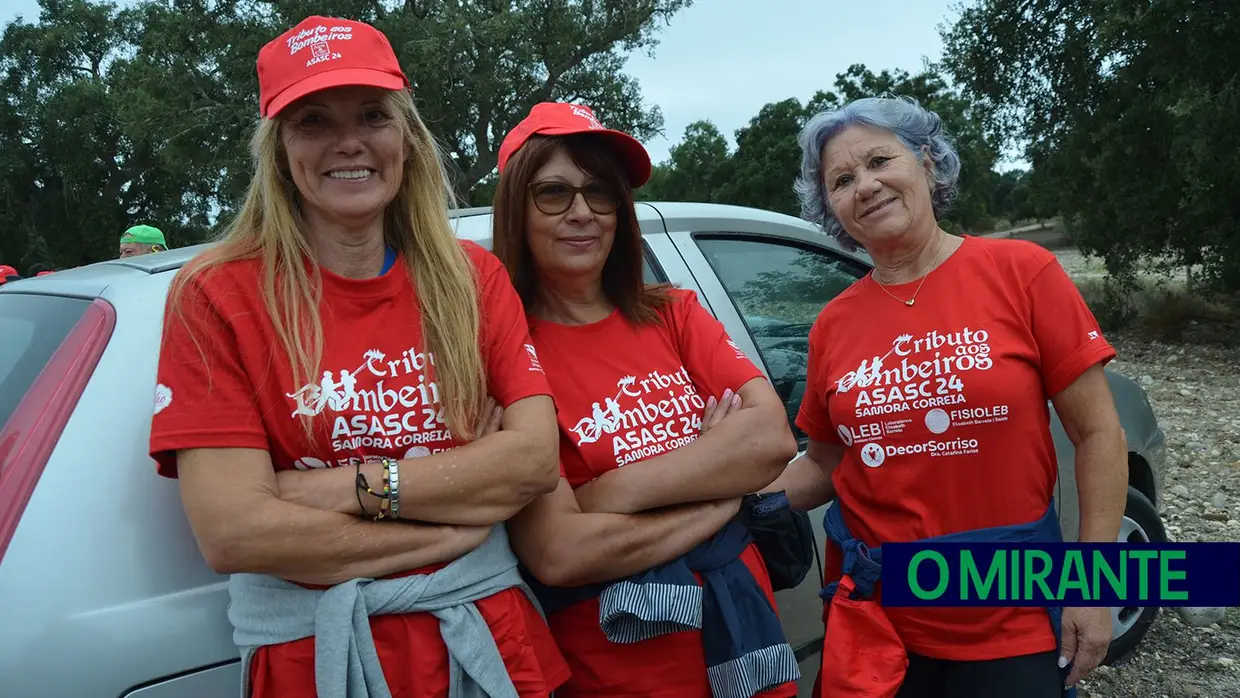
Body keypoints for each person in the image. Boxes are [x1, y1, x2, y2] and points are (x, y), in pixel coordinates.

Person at [148, 15, 569, 698]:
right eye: (312, 121)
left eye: (373, 115)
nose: (349, 142)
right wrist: (461, 518)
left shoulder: (471, 278)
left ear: (406, 137)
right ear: (280, 150)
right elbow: (236, 533)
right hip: (317, 661)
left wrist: (342, 490)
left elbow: (532, 461)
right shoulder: (215, 295)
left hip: (490, 642)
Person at [763, 95, 1128, 698]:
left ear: (929, 163)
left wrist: (1097, 584)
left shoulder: (1022, 271)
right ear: (830, 206)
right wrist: (735, 504)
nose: (867, 186)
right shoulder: (833, 324)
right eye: (843, 180)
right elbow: (827, 462)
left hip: (1013, 616)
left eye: (881, 160)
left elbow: (1099, 434)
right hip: (877, 622)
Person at [491, 101, 802, 698]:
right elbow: (560, 551)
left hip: (749, 651)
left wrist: (608, 492)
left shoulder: (673, 312)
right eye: (553, 193)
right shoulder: (506, 350)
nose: (582, 213)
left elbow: (770, 440)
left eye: (599, 191)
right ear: (517, 209)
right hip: (618, 676)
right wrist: (720, 487)